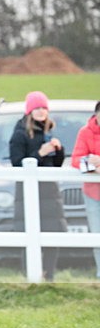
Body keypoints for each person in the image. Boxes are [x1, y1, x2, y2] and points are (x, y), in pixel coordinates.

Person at [10, 91, 66, 282]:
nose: (41, 111)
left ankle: (49, 276)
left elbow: (55, 165)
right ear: (29, 111)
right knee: (29, 236)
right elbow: (17, 164)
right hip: (28, 195)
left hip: (50, 194)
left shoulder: (48, 132)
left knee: (52, 236)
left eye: (44, 108)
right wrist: (40, 153)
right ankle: (31, 276)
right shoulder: (19, 134)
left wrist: (59, 151)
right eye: (37, 108)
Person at [71, 101, 100, 279]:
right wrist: (93, 165)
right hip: (93, 193)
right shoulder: (85, 132)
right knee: (97, 234)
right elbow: (76, 160)